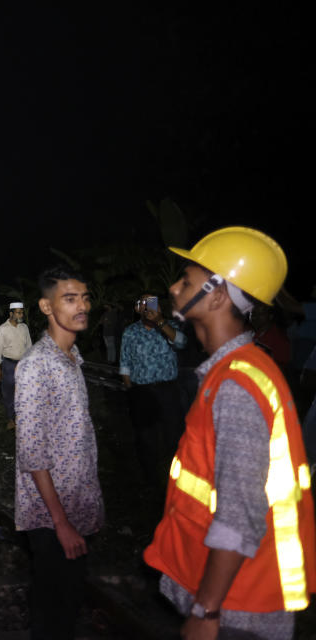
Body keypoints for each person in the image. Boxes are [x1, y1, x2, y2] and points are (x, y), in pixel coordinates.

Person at [144, 227, 316, 640]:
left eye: (186, 281)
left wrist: (205, 611)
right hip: (234, 594)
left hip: (237, 608)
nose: (173, 286)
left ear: (218, 296)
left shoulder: (237, 385)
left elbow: (239, 516)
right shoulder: (236, 371)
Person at [14, 267, 104, 639]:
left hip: (79, 504)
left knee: (69, 602)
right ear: (46, 307)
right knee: (53, 610)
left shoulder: (72, 358)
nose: (81, 306)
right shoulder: (37, 365)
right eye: (70, 299)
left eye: (84, 297)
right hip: (52, 516)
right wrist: (61, 523)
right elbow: (32, 453)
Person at [119, 294, 187, 487]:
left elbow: (182, 343)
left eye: (152, 303)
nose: (148, 307)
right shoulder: (130, 332)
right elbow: (125, 363)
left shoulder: (169, 326)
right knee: (146, 439)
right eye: (143, 304)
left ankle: (179, 480)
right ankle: (151, 482)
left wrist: (160, 322)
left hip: (168, 390)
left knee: (174, 436)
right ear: (138, 309)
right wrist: (130, 391)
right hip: (142, 392)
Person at [0, 302, 32, 430]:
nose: (21, 315)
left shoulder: (24, 328)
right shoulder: (2, 329)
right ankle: (10, 419)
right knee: (9, 392)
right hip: (9, 364)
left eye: (22, 312)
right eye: (18, 312)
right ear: (11, 313)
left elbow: (29, 347)